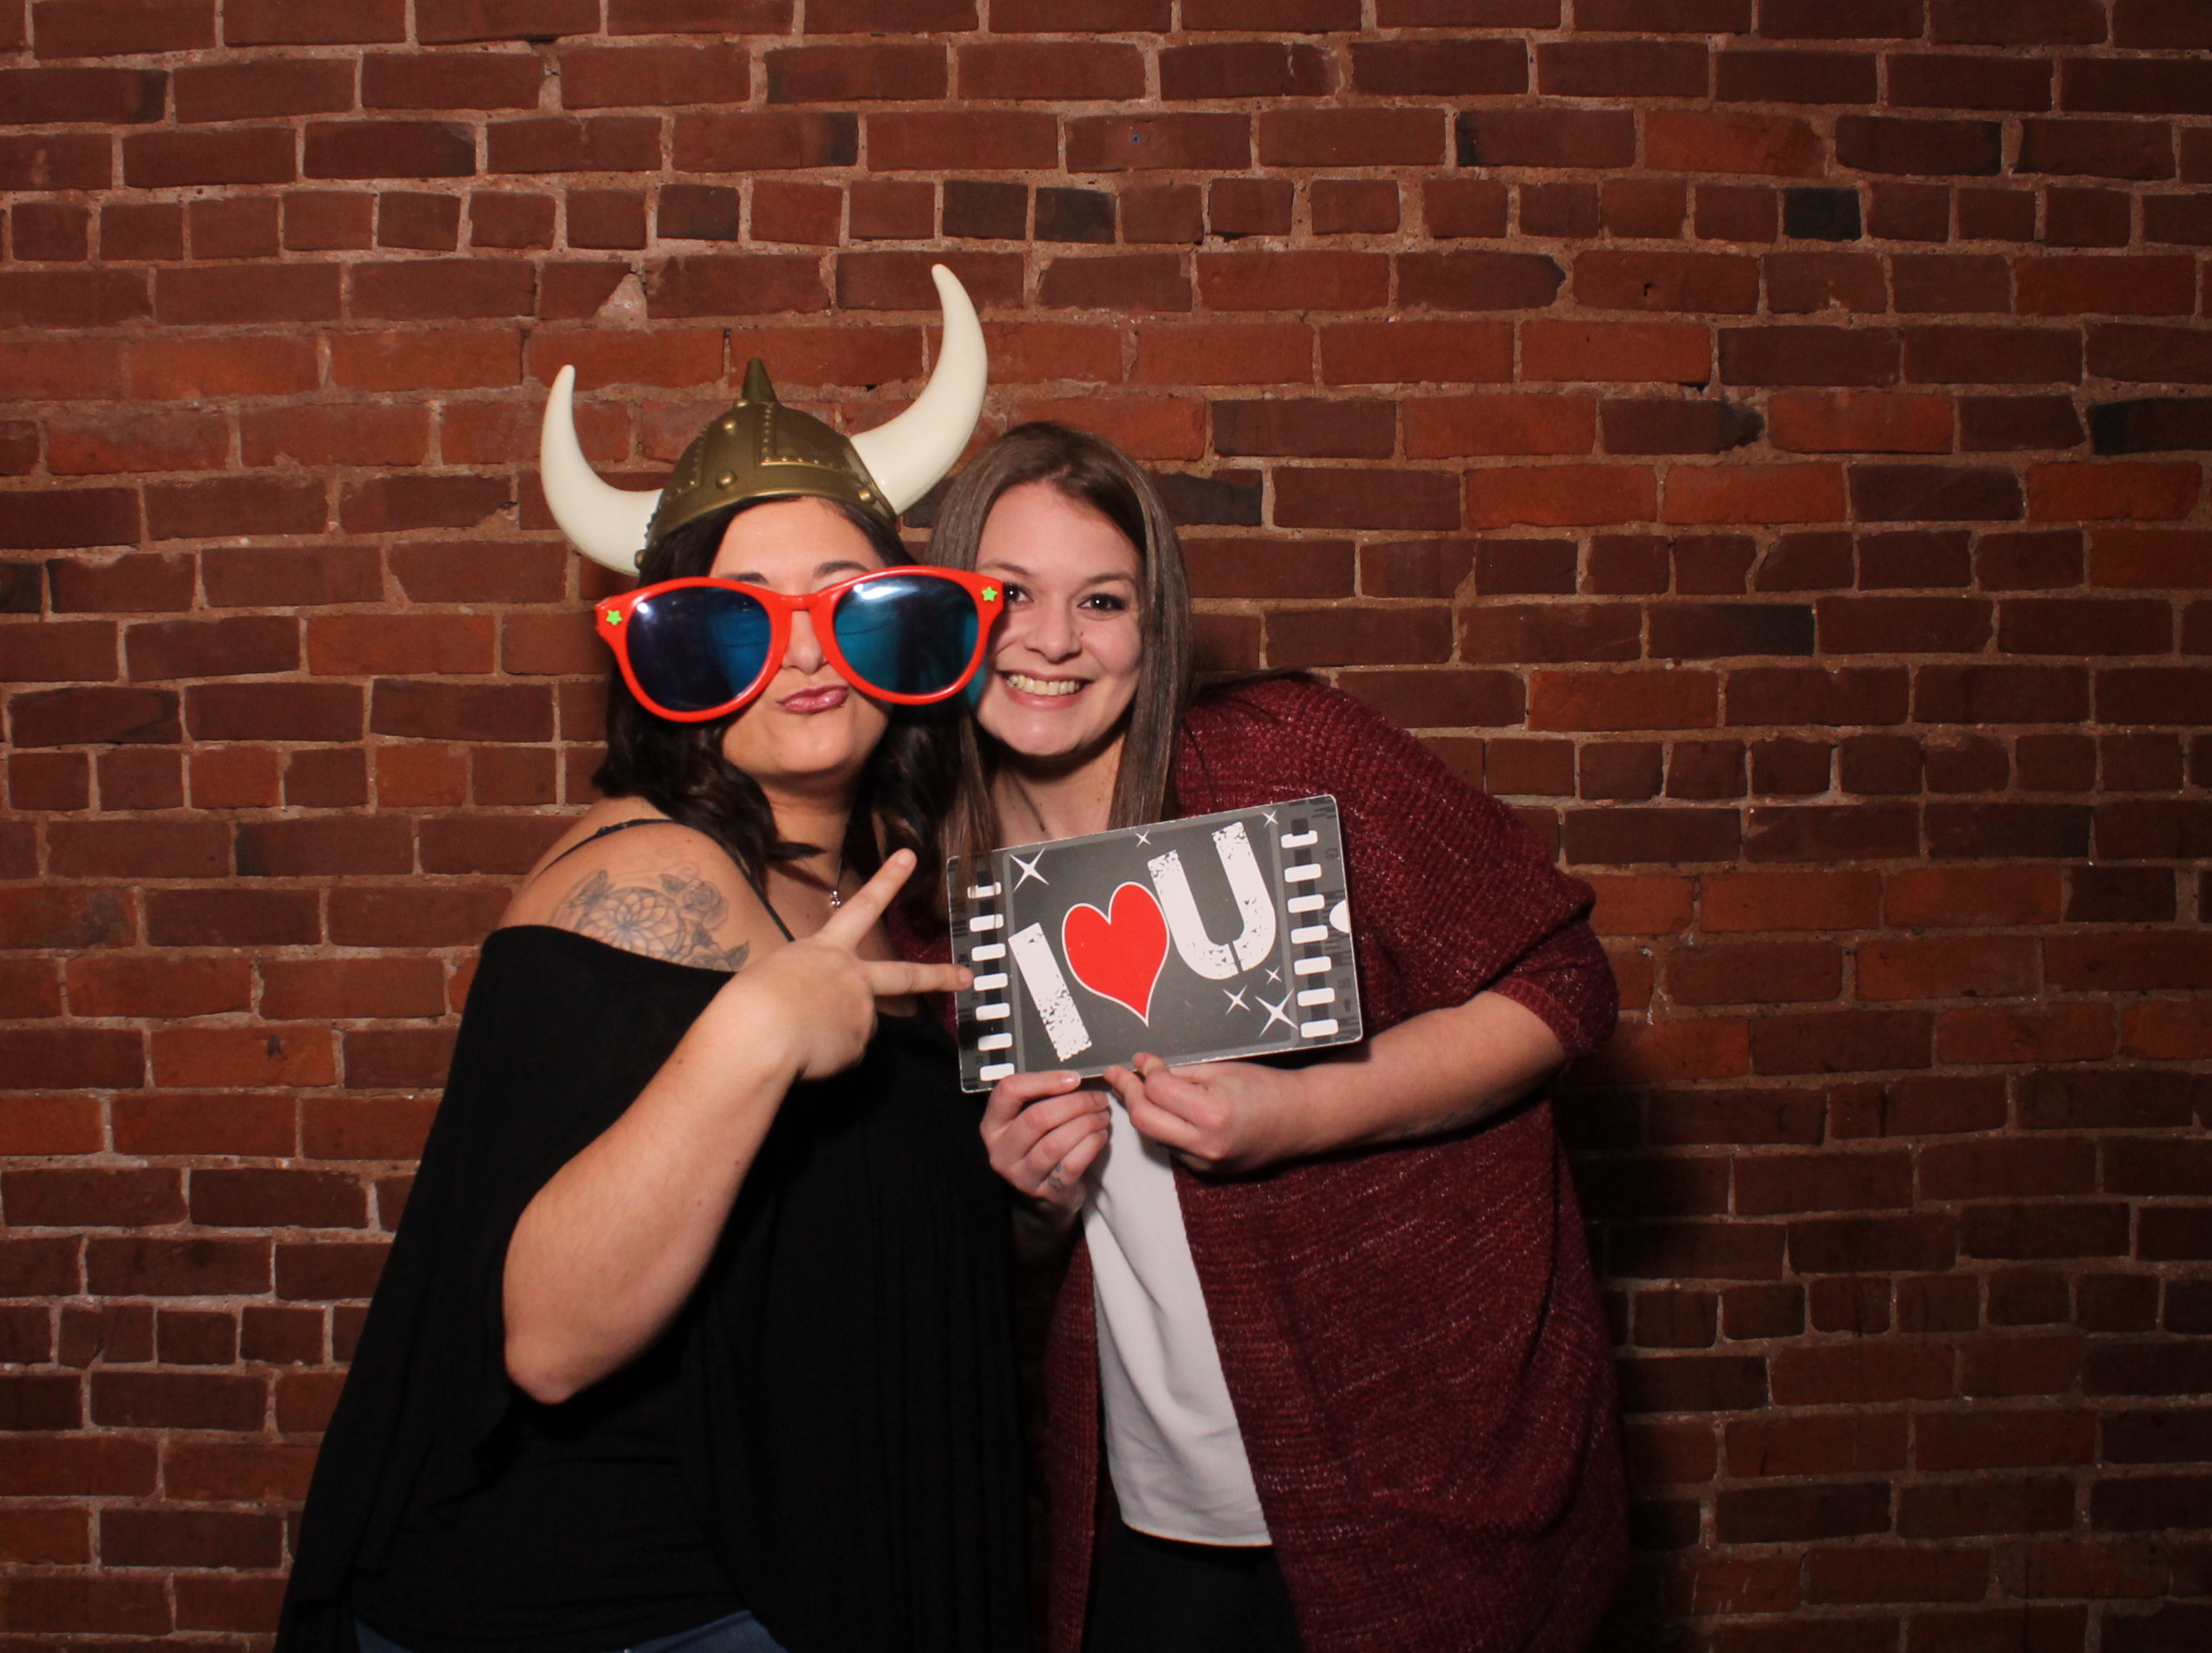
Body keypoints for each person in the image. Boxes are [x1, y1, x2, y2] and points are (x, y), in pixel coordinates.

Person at [280, 271, 1029, 1653]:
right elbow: (551, 1337)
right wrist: (750, 1037)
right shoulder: (642, 875)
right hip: (607, 1614)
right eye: (742, 616)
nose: (805, 650)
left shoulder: (862, 886)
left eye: (848, 601)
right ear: (675, 657)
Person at [921, 423, 1627, 1653]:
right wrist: (1033, 1196)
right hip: (1155, 1508)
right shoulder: (952, 886)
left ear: (1156, 622)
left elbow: (1563, 982)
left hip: (1411, 1488)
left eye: (1101, 599)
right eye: (1006, 595)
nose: (1050, 640)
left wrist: (1299, 1113)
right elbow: (1065, 1232)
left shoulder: (1277, 756)